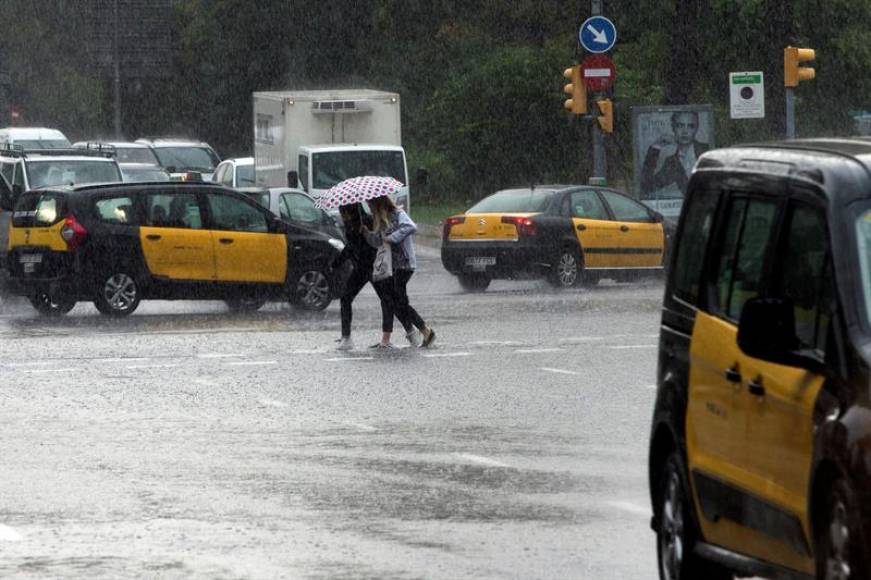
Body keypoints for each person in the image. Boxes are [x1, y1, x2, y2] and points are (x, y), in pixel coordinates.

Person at [331, 202, 418, 351]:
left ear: (351, 212)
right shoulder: (350, 224)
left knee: (389, 300)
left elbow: (373, 244)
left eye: (344, 213)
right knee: (346, 297)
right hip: (360, 269)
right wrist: (336, 263)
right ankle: (346, 337)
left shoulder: (368, 221)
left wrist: (362, 233)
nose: (342, 216)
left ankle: (410, 331)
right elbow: (350, 247)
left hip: (375, 267)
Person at [362, 195, 435, 349]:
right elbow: (378, 242)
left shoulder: (397, 214)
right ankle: (391, 339)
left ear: (378, 203)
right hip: (392, 266)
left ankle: (424, 332)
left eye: (370, 204)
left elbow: (411, 227)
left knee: (396, 302)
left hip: (405, 264)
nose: (368, 207)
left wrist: (392, 237)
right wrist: (367, 234)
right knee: (392, 301)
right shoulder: (380, 219)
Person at [640, 111, 709, 198]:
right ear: (673, 127)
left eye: (690, 126)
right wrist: (656, 147)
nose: (685, 131)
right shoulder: (671, 163)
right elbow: (647, 187)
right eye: (680, 125)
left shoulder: (707, 151)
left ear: (696, 128)